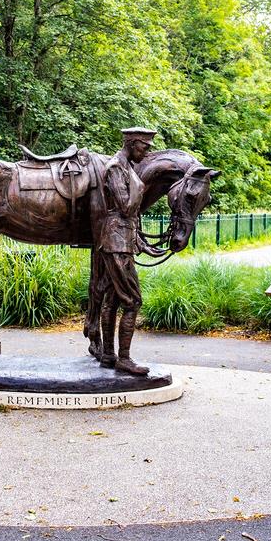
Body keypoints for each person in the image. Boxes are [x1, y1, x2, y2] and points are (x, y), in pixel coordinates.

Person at [95, 127, 164, 375]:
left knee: (112, 299)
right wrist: (141, 187)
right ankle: (123, 358)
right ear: (133, 143)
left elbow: (129, 215)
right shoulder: (116, 167)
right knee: (133, 301)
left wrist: (141, 242)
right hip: (116, 243)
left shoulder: (128, 168)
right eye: (145, 147)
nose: (146, 153)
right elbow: (125, 207)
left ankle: (108, 355)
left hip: (121, 240)